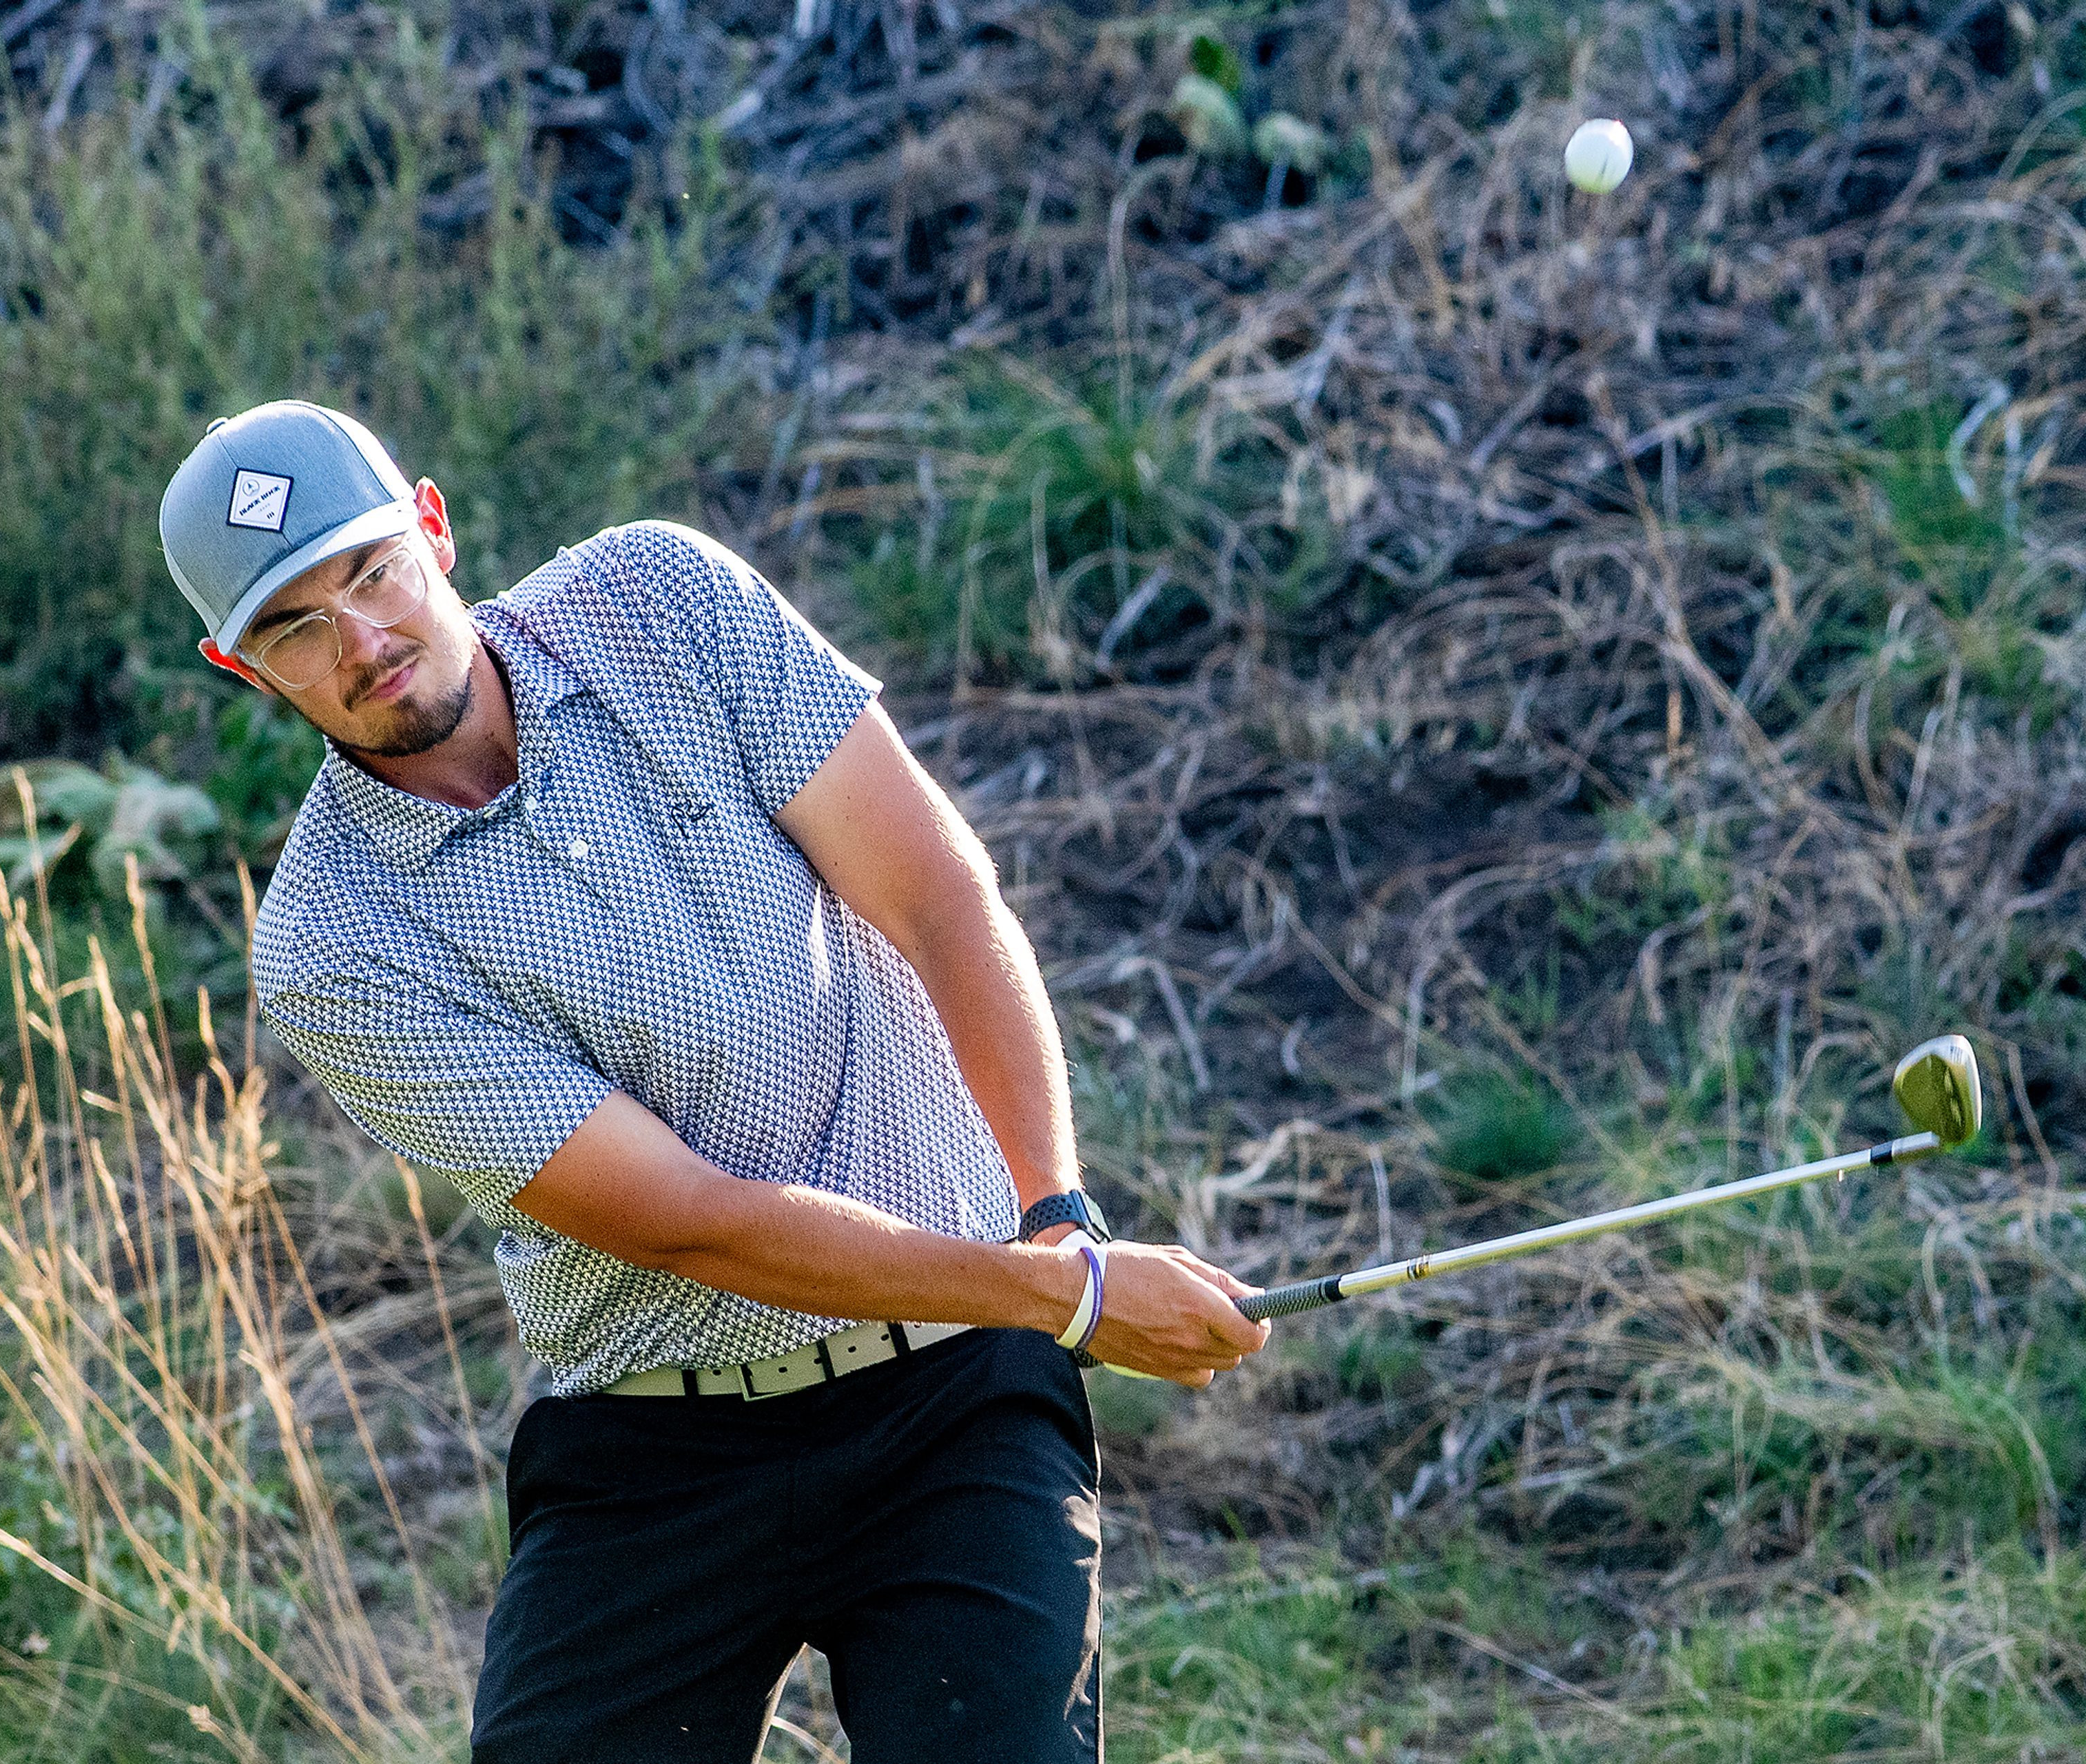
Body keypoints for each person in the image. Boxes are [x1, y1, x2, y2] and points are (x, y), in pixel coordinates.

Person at [157, 400, 1270, 1763]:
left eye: (372, 571)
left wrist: (1058, 1217)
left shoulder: (658, 598)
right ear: (241, 665)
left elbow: (937, 898)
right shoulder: (334, 944)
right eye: (297, 628)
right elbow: (695, 1218)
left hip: (953, 1391)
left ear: (434, 529)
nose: (365, 640)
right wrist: (1072, 1298)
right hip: (658, 1451)